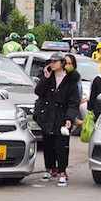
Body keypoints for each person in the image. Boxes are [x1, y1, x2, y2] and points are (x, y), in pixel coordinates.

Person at [35, 52, 80, 187]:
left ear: (62, 63)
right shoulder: (48, 77)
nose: (52, 64)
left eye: (56, 62)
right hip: (48, 115)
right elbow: (38, 92)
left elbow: (73, 102)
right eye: (51, 62)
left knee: (61, 145)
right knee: (48, 144)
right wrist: (45, 78)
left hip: (62, 116)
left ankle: (62, 172)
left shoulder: (71, 79)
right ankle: (49, 168)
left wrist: (69, 118)